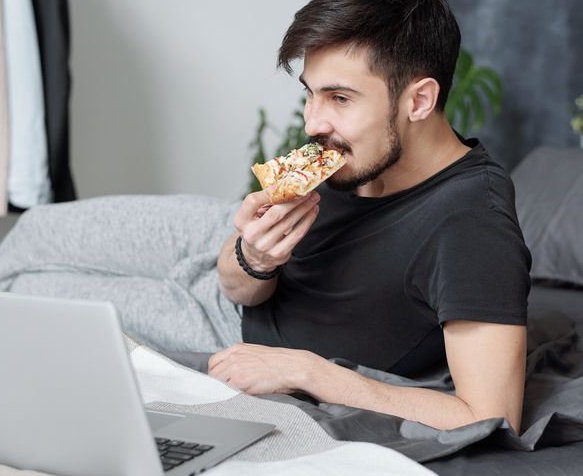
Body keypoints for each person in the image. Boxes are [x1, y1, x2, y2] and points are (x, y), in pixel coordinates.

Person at [208, 0, 531, 433]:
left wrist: (309, 372)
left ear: (419, 100)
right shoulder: (355, 155)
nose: (313, 124)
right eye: (310, 93)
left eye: (340, 98)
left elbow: (489, 415)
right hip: (214, 256)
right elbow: (233, 284)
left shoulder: (472, 224)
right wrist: (255, 257)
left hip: (228, 342)